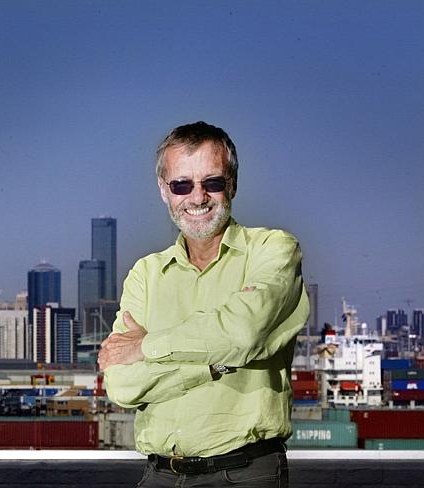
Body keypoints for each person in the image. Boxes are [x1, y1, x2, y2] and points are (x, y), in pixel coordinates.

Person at [99, 121, 309, 487]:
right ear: (164, 191)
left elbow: (242, 336)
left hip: (244, 474)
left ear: (233, 185)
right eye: (182, 184)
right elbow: (122, 386)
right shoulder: (146, 274)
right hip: (159, 475)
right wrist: (212, 363)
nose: (198, 198)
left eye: (212, 182)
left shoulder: (273, 250)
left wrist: (146, 346)